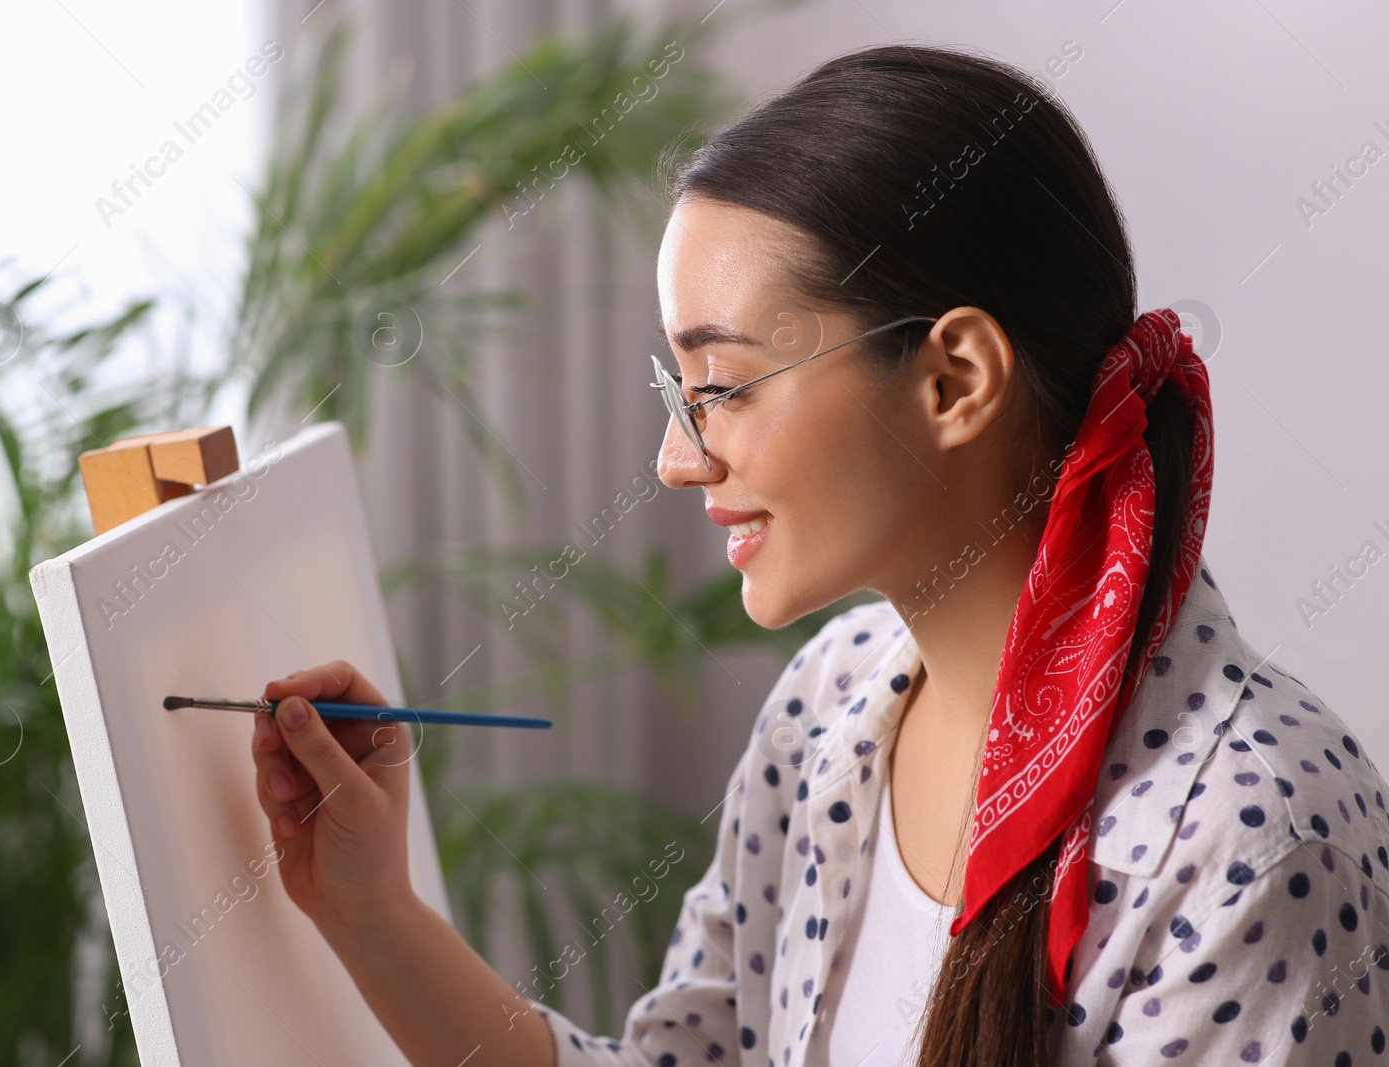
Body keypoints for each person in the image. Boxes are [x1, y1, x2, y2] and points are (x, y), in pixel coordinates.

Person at [247, 43, 1389, 1066]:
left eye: (721, 388)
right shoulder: (830, 705)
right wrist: (367, 906)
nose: (676, 459)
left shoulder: (1250, 833)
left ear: (954, 381)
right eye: (674, 390)